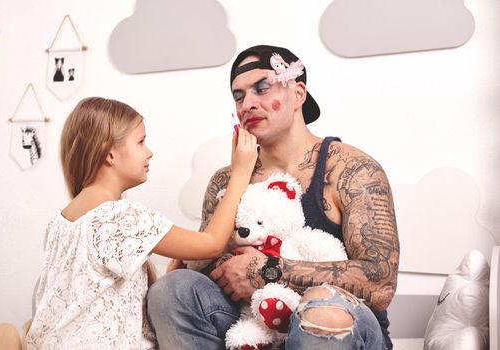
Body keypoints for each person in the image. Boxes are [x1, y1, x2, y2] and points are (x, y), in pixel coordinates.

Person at [148, 45, 400, 350]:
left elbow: (381, 282)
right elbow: (205, 264)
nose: (247, 104)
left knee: (323, 308)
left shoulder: (351, 170)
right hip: (252, 327)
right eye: (239, 96)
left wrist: (267, 270)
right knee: (173, 289)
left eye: (261, 88)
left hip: (341, 332)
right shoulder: (226, 180)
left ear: (298, 93)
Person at [25, 97, 258, 349]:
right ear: (110, 153)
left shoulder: (61, 222)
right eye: (141, 142)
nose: (149, 152)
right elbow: (211, 244)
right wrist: (240, 173)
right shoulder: (122, 216)